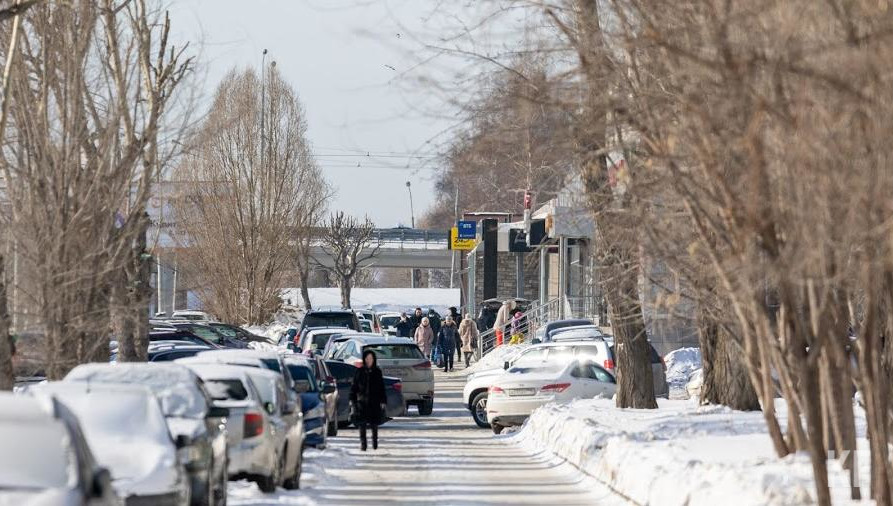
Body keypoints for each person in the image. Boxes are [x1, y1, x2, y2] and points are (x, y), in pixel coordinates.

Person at [350, 350, 387, 451]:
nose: (369, 360)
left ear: (374, 359)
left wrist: (383, 401)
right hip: (362, 402)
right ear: (364, 359)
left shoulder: (377, 372)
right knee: (362, 424)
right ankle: (363, 444)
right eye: (367, 358)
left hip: (374, 403)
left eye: (371, 358)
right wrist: (352, 400)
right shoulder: (360, 371)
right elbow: (354, 387)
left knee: (374, 424)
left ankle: (375, 443)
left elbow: (381, 388)